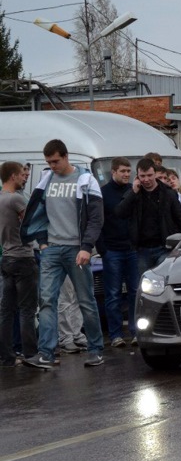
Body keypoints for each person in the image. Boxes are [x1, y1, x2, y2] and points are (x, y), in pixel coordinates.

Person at [20, 139, 105, 369]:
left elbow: (96, 218)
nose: (53, 165)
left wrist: (87, 247)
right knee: (47, 301)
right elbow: (37, 213)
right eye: (48, 162)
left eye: (56, 161)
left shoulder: (86, 180)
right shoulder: (46, 180)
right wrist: (43, 242)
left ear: (66, 156)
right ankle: (46, 353)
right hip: (52, 249)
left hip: (77, 249)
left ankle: (96, 349)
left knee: (86, 301)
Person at [116, 157, 181, 276]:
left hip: (164, 247)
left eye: (150, 175)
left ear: (155, 173)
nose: (146, 179)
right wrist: (133, 192)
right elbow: (120, 213)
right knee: (145, 284)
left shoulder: (168, 193)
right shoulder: (135, 193)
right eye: (142, 176)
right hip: (142, 250)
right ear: (137, 177)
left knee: (162, 280)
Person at [97, 157, 139, 348]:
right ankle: (115, 335)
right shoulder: (103, 193)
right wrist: (102, 249)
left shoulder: (133, 191)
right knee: (113, 295)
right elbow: (97, 221)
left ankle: (136, 331)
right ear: (113, 172)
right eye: (122, 171)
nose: (126, 174)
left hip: (132, 249)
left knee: (135, 293)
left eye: (128, 171)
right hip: (112, 250)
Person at [0, 161, 38, 367]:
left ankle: (6, 356)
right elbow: (31, 223)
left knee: (6, 310)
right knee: (26, 309)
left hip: (6, 257)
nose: (23, 177)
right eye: (21, 175)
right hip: (23, 257)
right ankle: (31, 354)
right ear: (12, 176)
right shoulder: (16, 199)